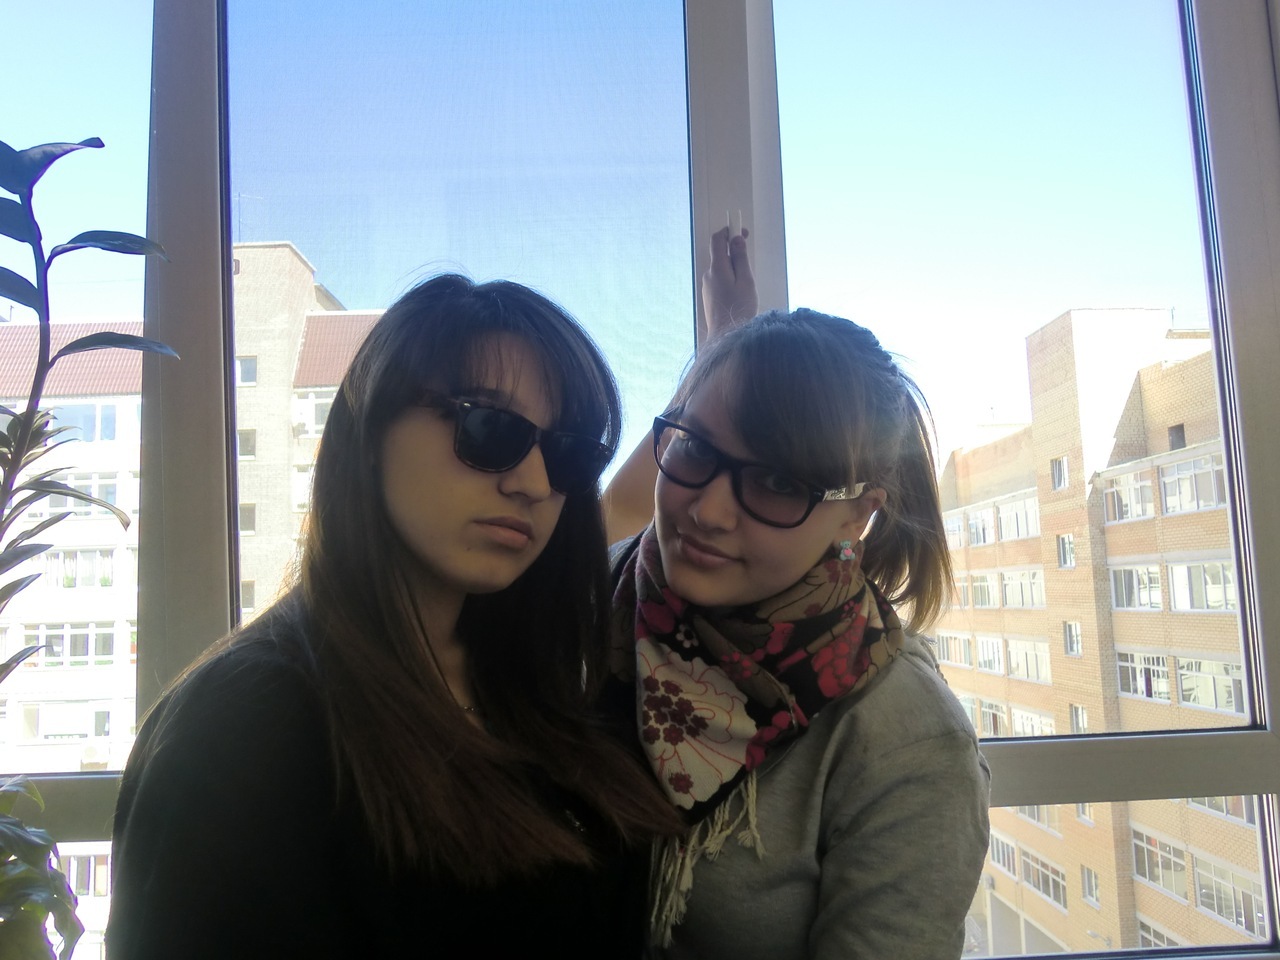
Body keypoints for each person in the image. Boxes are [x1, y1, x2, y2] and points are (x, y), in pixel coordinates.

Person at [107, 275, 684, 959]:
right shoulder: (250, 723)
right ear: (372, 429)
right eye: (489, 428)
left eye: (568, 454)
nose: (533, 483)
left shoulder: (537, 685)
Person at [605, 229, 991, 959]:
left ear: (857, 514)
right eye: (696, 448)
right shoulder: (597, 601)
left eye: (779, 483)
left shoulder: (902, 738)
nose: (708, 510)